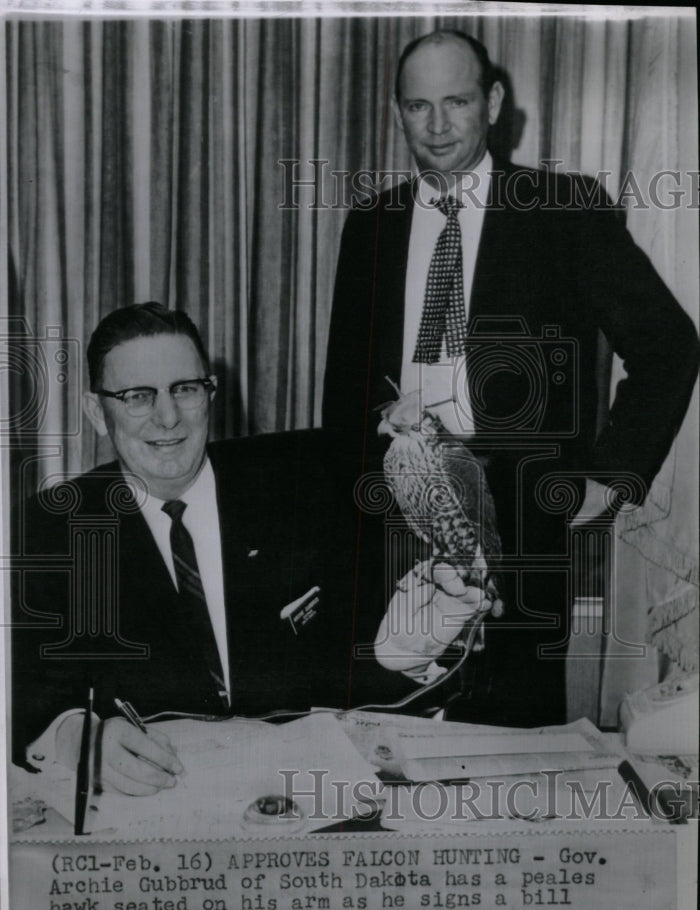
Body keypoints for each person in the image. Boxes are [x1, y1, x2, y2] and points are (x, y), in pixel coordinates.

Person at [323, 30, 698, 724]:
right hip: (394, 513)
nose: (436, 126)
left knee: (510, 741)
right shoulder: (372, 226)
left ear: (492, 102)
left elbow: (669, 344)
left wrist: (610, 477)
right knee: (390, 723)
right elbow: (343, 391)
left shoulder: (564, 210)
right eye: (417, 106)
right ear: (398, 111)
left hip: (523, 515)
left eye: (456, 101)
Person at [12, 302, 482, 796]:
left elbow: (360, 672)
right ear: (97, 413)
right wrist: (73, 735)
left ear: (210, 393)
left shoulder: (307, 486)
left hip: (302, 802)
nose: (168, 417)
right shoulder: (45, 529)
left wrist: (399, 658)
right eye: (137, 396)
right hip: (152, 812)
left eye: (185, 389)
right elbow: (22, 687)